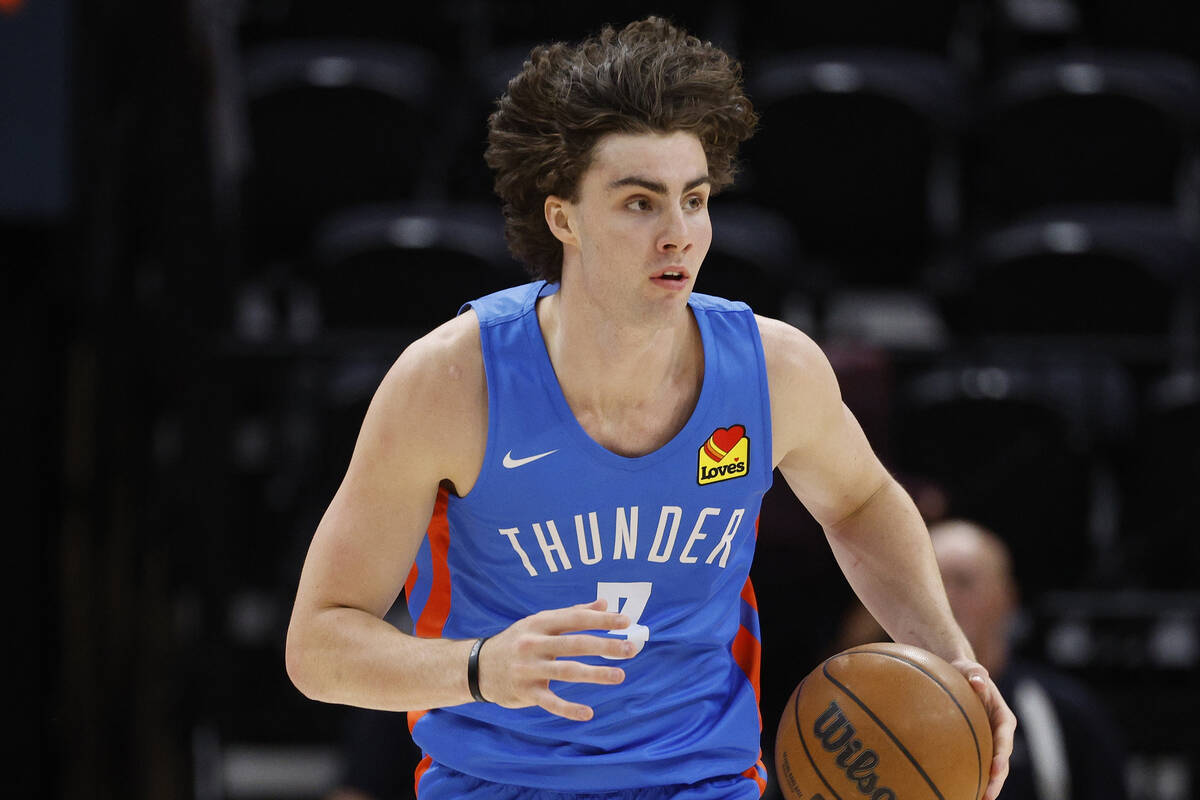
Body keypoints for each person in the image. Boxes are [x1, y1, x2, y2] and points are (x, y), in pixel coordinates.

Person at [284, 17, 1015, 800]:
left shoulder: (773, 370)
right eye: (640, 203)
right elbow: (319, 646)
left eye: (694, 200)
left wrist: (951, 658)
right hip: (500, 786)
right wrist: (479, 667)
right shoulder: (451, 383)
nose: (679, 235)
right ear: (562, 215)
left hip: (703, 783)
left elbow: (862, 500)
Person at [834, 519, 1129, 800]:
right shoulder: (869, 705)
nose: (945, 597)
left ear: (1008, 598)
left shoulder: (1067, 712)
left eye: (963, 582)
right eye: (933, 582)